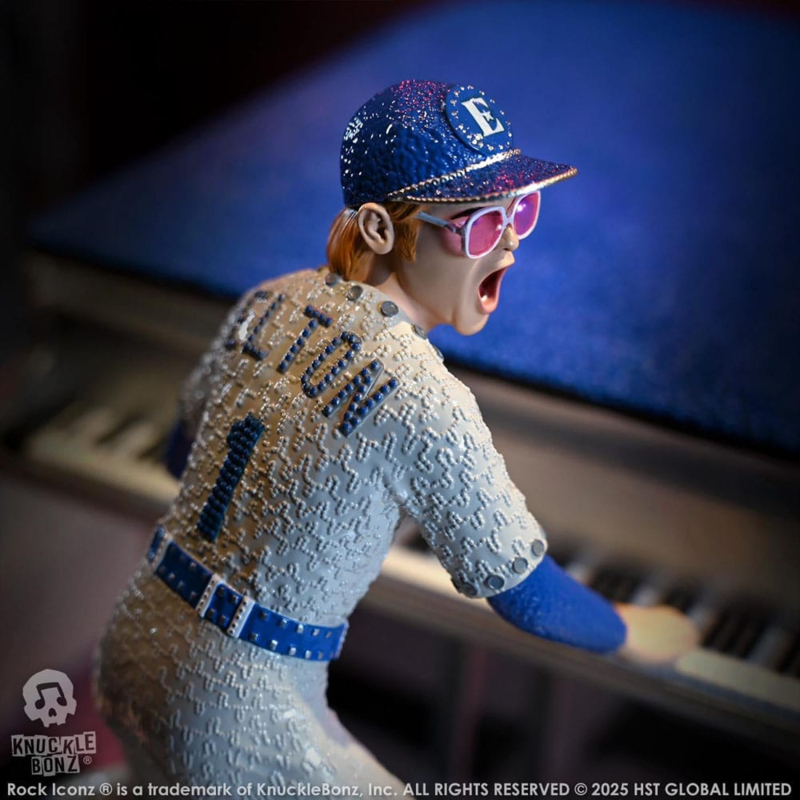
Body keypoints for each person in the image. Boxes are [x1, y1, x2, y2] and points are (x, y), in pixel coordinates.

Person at [95, 80, 697, 794]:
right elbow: (526, 597)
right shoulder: (422, 397)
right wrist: (628, 630)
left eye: (519, 211)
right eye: (478, 223)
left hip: (136, 633)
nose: (509, 242)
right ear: (381, 230)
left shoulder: (269, 296)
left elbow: (180, 457)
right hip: (237, 703)